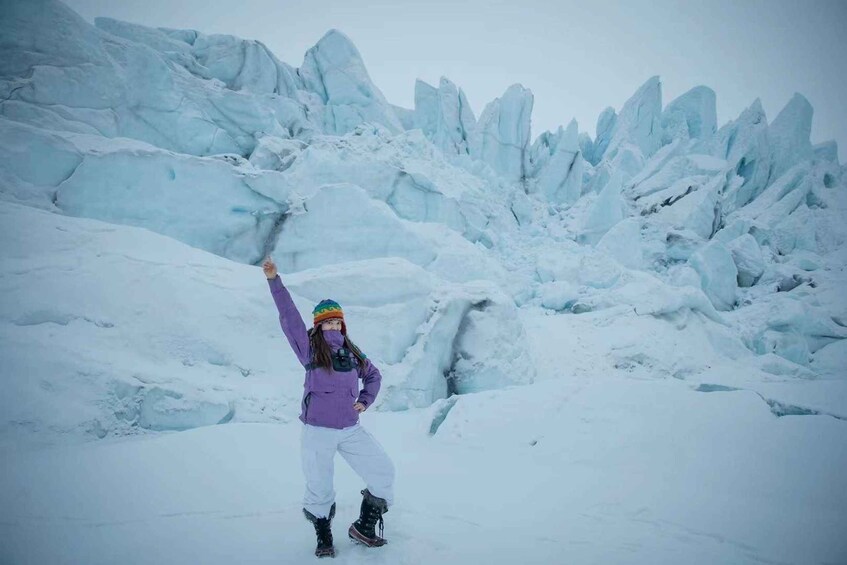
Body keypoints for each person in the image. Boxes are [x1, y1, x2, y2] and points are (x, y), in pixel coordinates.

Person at [263, 258, 395, 558]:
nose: (333, 325)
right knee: (319, 486)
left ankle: (363, 526)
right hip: (317, 431)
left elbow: (373, 375)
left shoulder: (350, 352)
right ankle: (323, 535)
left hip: (350, 429)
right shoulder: (309, 349)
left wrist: (365, 400)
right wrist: (274, 280)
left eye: (337, 321)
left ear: (342, 323)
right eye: (328, 321)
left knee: (383, 472)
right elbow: (289, 316)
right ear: (319, 325)